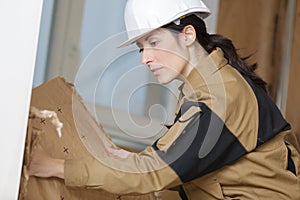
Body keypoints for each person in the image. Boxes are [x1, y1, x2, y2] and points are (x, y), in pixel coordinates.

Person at [28, 0, 300, 199]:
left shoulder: (221, 97)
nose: (145, 57)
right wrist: (132, 159)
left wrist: (55, 167)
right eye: (141, 48)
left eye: (154, 42)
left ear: (188, 35)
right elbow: (179, 159)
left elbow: (156, 172)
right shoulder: (209, 86)